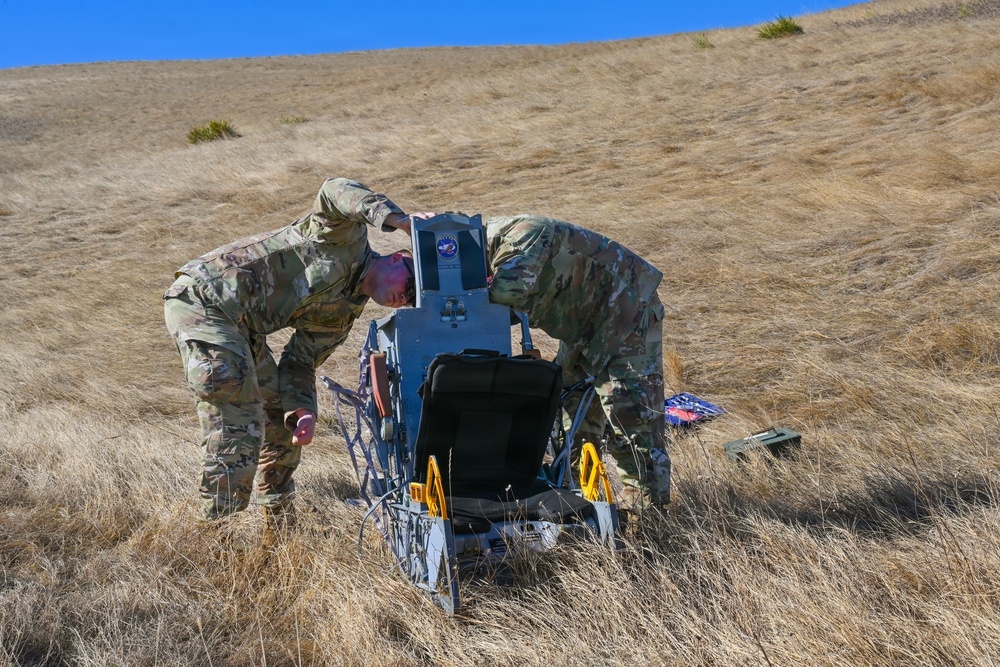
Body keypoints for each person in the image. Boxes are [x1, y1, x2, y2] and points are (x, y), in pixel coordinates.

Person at [163, 177, 419, 524]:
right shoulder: (345, 237)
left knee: (282, 417)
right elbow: (334, 190)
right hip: (205, 300)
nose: (404, 298)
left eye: (411, 300)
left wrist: (303, 409)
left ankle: (279, 524)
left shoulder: (342, 316)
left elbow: (300, 363)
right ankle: (214, 531)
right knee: (236, 407)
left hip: (243, 328)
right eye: (409, 284)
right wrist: (398, 219)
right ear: (395, 259)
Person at [485, 215, 670, 510]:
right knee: (571, 414)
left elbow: (509, 291)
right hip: (584, 329)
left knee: (633, 418)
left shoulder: (523, 234)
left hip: (626, 314)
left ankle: (646, 516)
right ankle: (577, 502)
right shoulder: (493, 260)